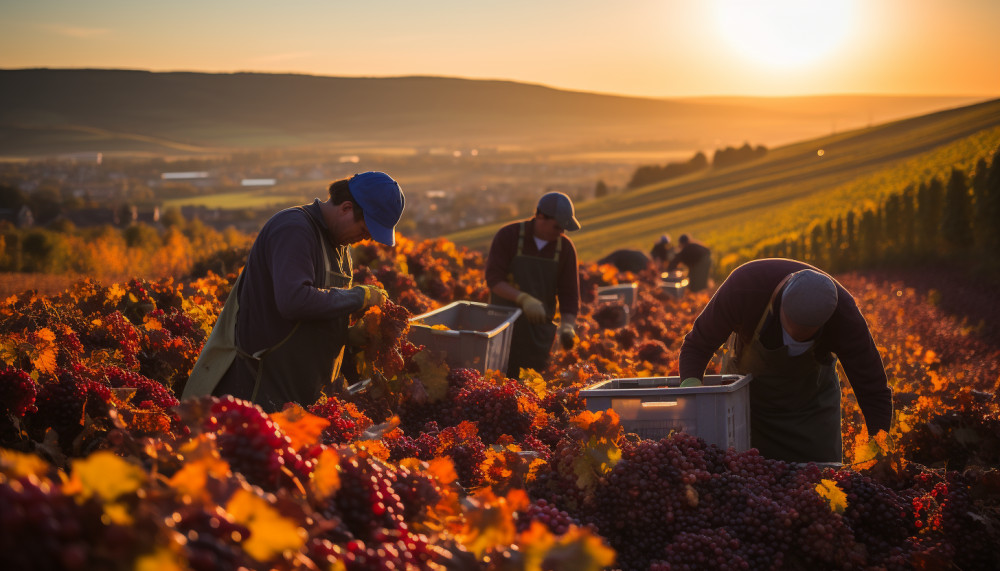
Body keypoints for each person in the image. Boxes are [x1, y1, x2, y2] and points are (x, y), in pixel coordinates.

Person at [182, 171, 405, 412]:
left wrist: (346, 335)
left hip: (298, 394)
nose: (367, 238)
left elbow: (315, 313)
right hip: (257, 390)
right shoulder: (294, 229)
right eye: (366, 229)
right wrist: (358, 297)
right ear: (346, 208)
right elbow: (294, 301)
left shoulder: (339, 247)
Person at [677, 258, 893, 463]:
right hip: (747, 409)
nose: (795, 337)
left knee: (820, 483)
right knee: (745, 479)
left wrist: (879, 447)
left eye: (806, 333)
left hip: (811, 414)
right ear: (778, 304)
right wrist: (691, 394)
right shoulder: (745, 286)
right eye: (790, 326)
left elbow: (873, 389)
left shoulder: (845, 317)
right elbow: (697, 346)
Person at [486, 192, 582, 378]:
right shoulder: (509, 236)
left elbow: (569, 294)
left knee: (532, 390)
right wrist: (522, 298)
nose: (561, 232)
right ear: (540, 216)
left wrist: (567, 326)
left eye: (564, 228)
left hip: (538, 334)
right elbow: (494, 280)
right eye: (557, 226)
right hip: (503, 329)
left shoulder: (565, 249)